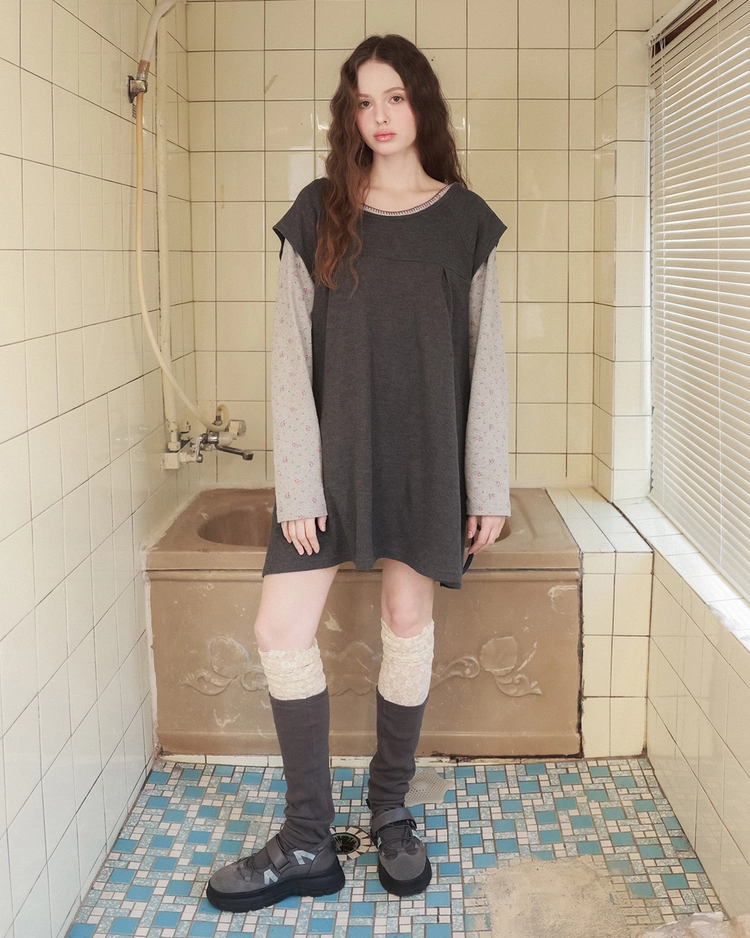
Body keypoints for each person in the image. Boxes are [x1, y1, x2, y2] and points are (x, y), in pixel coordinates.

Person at [206, 33, 510, 913]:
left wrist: (487, 485)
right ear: (349, 116)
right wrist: (298, 485)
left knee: (407, 619)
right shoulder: (318, 211)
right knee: (279, 628)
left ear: (423, 106)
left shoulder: (466, 221)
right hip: (331, 460)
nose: (379, 117)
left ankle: (390, 811)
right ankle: (308, 839)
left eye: (395, 98)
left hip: (425, 456)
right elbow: (286, 355)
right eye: (363, 102)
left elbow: (488, 360)